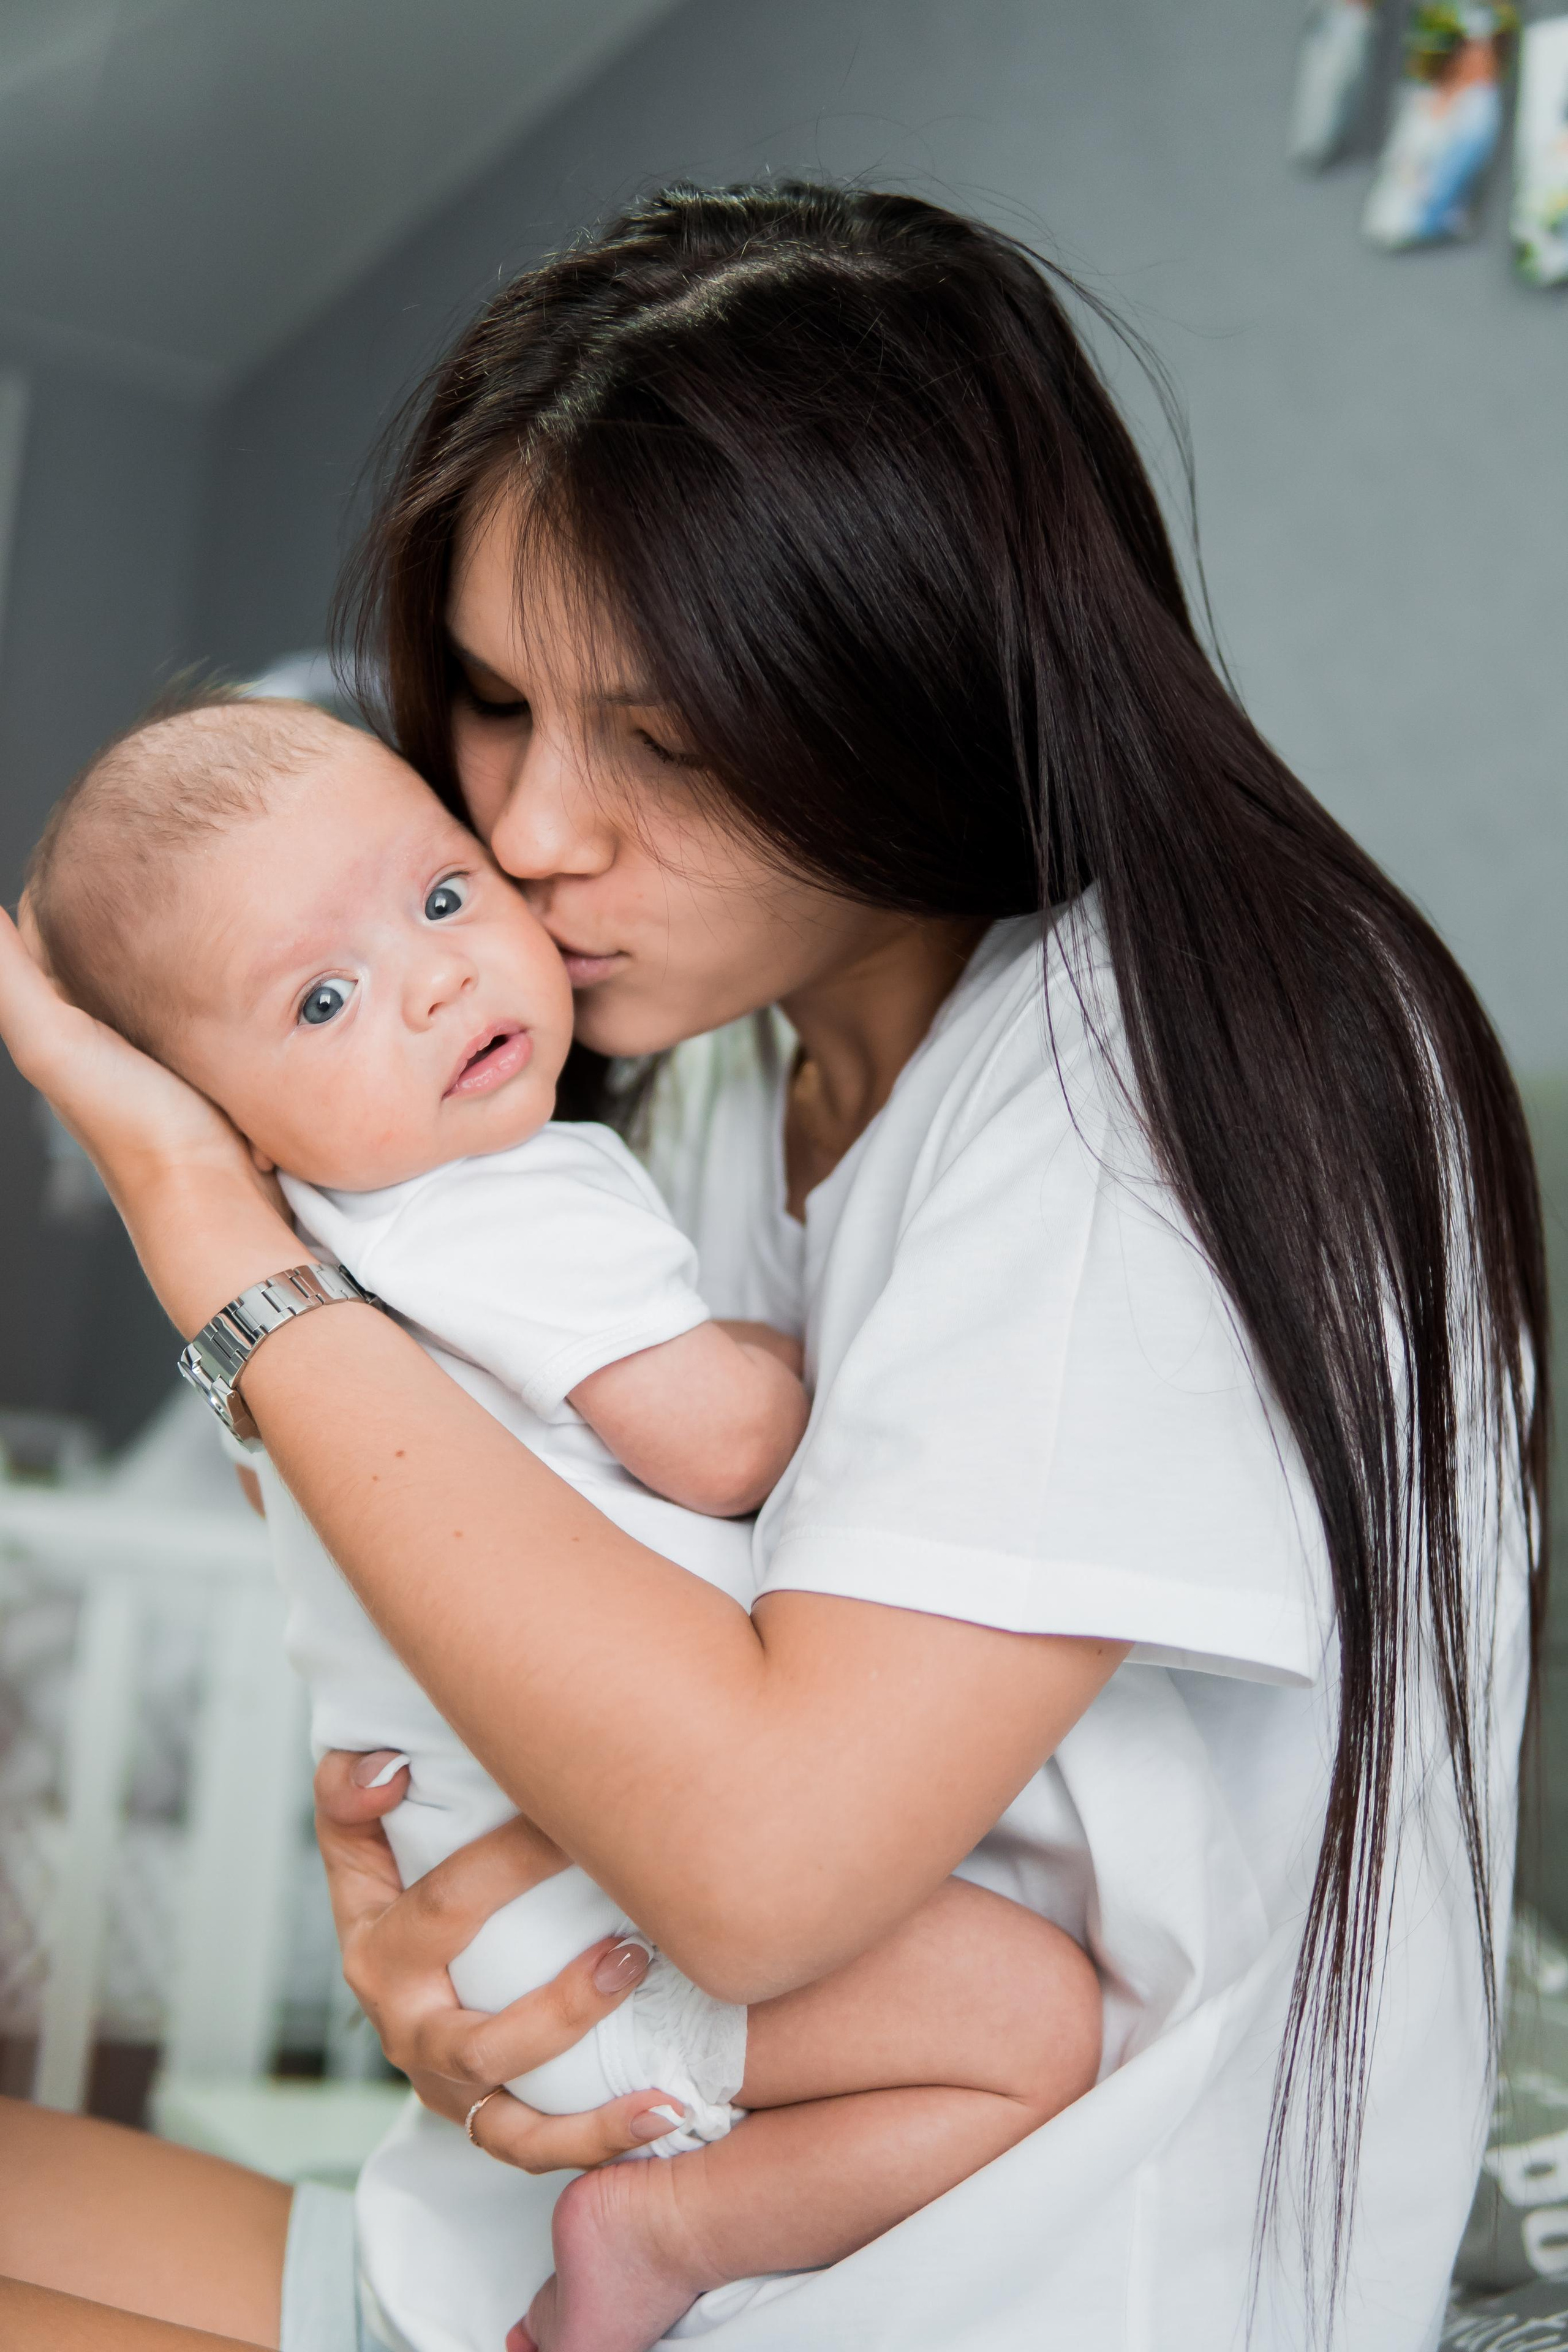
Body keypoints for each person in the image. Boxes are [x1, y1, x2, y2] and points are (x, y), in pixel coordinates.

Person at [0, 181, 1547, 2352]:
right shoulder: (716, 1070)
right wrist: (429, 1962)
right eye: (497, 708)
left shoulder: (1175, 1064)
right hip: (585, 2226)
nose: (531, 836)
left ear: (905, 673)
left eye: (666, 735)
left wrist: (214, 1229)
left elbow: (758, 1862)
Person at [21, 690, 1101, 2350]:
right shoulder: (501, 1208)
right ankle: (666, 2232)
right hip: (611, 1920)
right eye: (323, 997)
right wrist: (817, 1357)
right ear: (227, 1119)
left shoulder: (334, 1269)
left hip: (529, 1918)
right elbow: (724, 1440)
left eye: (442, 898)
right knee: (1032, 2024)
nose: (438, 974)